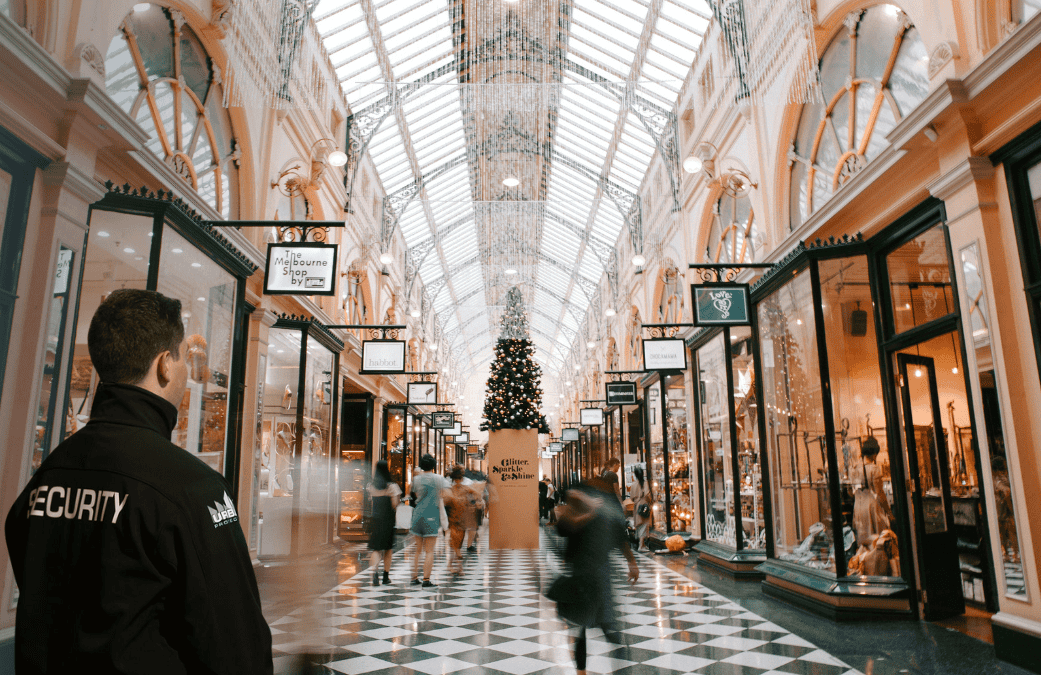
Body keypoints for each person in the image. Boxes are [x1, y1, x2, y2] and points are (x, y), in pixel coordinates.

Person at [4, 288, 272, 674]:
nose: (184, 372)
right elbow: (237, 645)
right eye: (182, 358)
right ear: (165, 364)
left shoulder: (48, 475)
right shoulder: (194, 488)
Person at [554, 479, 639, 675]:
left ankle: (617, 671)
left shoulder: (602, 512)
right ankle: (581, 671)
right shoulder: (577, 512)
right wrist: (590, 511)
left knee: (606, 628)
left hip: (598, 576)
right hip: (582, 576)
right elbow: (564, 527)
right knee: (583, 629)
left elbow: (619, 537)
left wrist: (631, 562)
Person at [410, 453, 448, 587]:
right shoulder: (439, 479)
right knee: (429, 550)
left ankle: (414, 578)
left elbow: (415, 495)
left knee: (417, 550)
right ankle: (426, 579)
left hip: (417, 514)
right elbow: (445, 494)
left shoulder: (416, 479)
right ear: (433, 466)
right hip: (431, 515)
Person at [851, 436, 894, 548]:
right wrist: (889, 513)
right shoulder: (874, 469)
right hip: (871, 508)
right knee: (877, 541)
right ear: (874, 453)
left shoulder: (855, 468)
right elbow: (880, 494)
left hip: (858, 507)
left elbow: (852, 492)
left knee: (863, 541)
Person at [443, 465, 484, 575]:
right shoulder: (465, 488)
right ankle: (457, 565)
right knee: (457, 542)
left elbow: (445, 501)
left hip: (454, 518)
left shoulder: (450, 489)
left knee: (455, 542)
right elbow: (478, 494)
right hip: (461, 518)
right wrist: (476, 503)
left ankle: (453, 565)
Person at [368, 460, 401, 586]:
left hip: (375, 520)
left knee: (376, 549)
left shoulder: (371, 486)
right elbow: (394, 504)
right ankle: (386, 576)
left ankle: (375, 572)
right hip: (388, 521)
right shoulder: (392, 487)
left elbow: (371, 502)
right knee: (388, 549)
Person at [628, 465, 653, 551]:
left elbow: (631, 497)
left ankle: (641, 544)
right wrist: (650, 502)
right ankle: (641, 545)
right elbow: (647, 494)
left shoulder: (633, 484)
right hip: (644, 504)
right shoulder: (645, 483)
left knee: (639, 524)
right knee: (644, 524)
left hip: (637, 505)